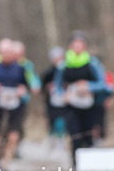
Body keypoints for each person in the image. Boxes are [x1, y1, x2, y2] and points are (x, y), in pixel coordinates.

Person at [54, 32, 109, 164]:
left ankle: (89, 166)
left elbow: (103, 83)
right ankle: (76, 165)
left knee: (88, 136)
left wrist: (88, 86)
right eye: (75, 44)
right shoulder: (63, 65)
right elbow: (57, 86)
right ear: (70, 46)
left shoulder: (93, 63)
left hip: (89, 105)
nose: (78, 47)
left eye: (81, 44)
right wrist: (63, 95)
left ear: (85, 46)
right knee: (75, 136)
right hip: (71, 106)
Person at [0, 39, 28, 169]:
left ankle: (5, 163)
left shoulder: (19, 68)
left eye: (9, 52)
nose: (7, 54)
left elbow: (25, 85)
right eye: (4, 52)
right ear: (0, 52)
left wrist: (22, 90)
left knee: (13, 136)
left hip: (15, 106)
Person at [40, 47, 68, 147]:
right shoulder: (48, 72)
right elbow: (42, 86)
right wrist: (47, 87)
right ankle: (52, 137)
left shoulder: (68, 70)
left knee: (63, 121)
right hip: (51, 102)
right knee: (53, 121)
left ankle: (62, 139)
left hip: (65, 101)